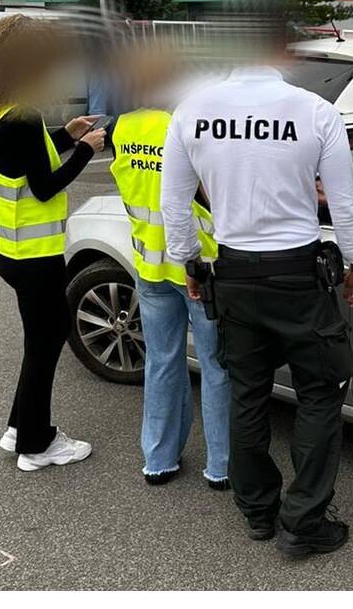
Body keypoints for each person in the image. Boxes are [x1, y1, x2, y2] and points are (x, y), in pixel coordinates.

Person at [160, 10, 353, 556]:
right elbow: (344, 204)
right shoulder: (316, 112)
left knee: (247, 396)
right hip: (300, 276)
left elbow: (174, 207)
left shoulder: (191, 112)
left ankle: (257, 511)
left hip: (234, 275)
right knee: (320, 394)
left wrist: (189, 264)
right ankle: (304, 520)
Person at [0, 14, 107, 472]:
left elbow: (23, 165)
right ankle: (37, 446)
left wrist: (67, 134)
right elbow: (44, 187)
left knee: (38, 339)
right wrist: (87, 150)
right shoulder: (21, 117)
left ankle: (18, 427)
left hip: (7, 248)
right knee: (47, 341)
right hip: (34, 255)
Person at [108, 50, 231, 489]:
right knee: (217, 366)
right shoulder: (188, 126)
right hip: (201, 266)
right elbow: (210, 197)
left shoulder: (126, 126)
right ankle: (221, 466)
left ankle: (158, 459)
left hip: (149, 263)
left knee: (161, 361)